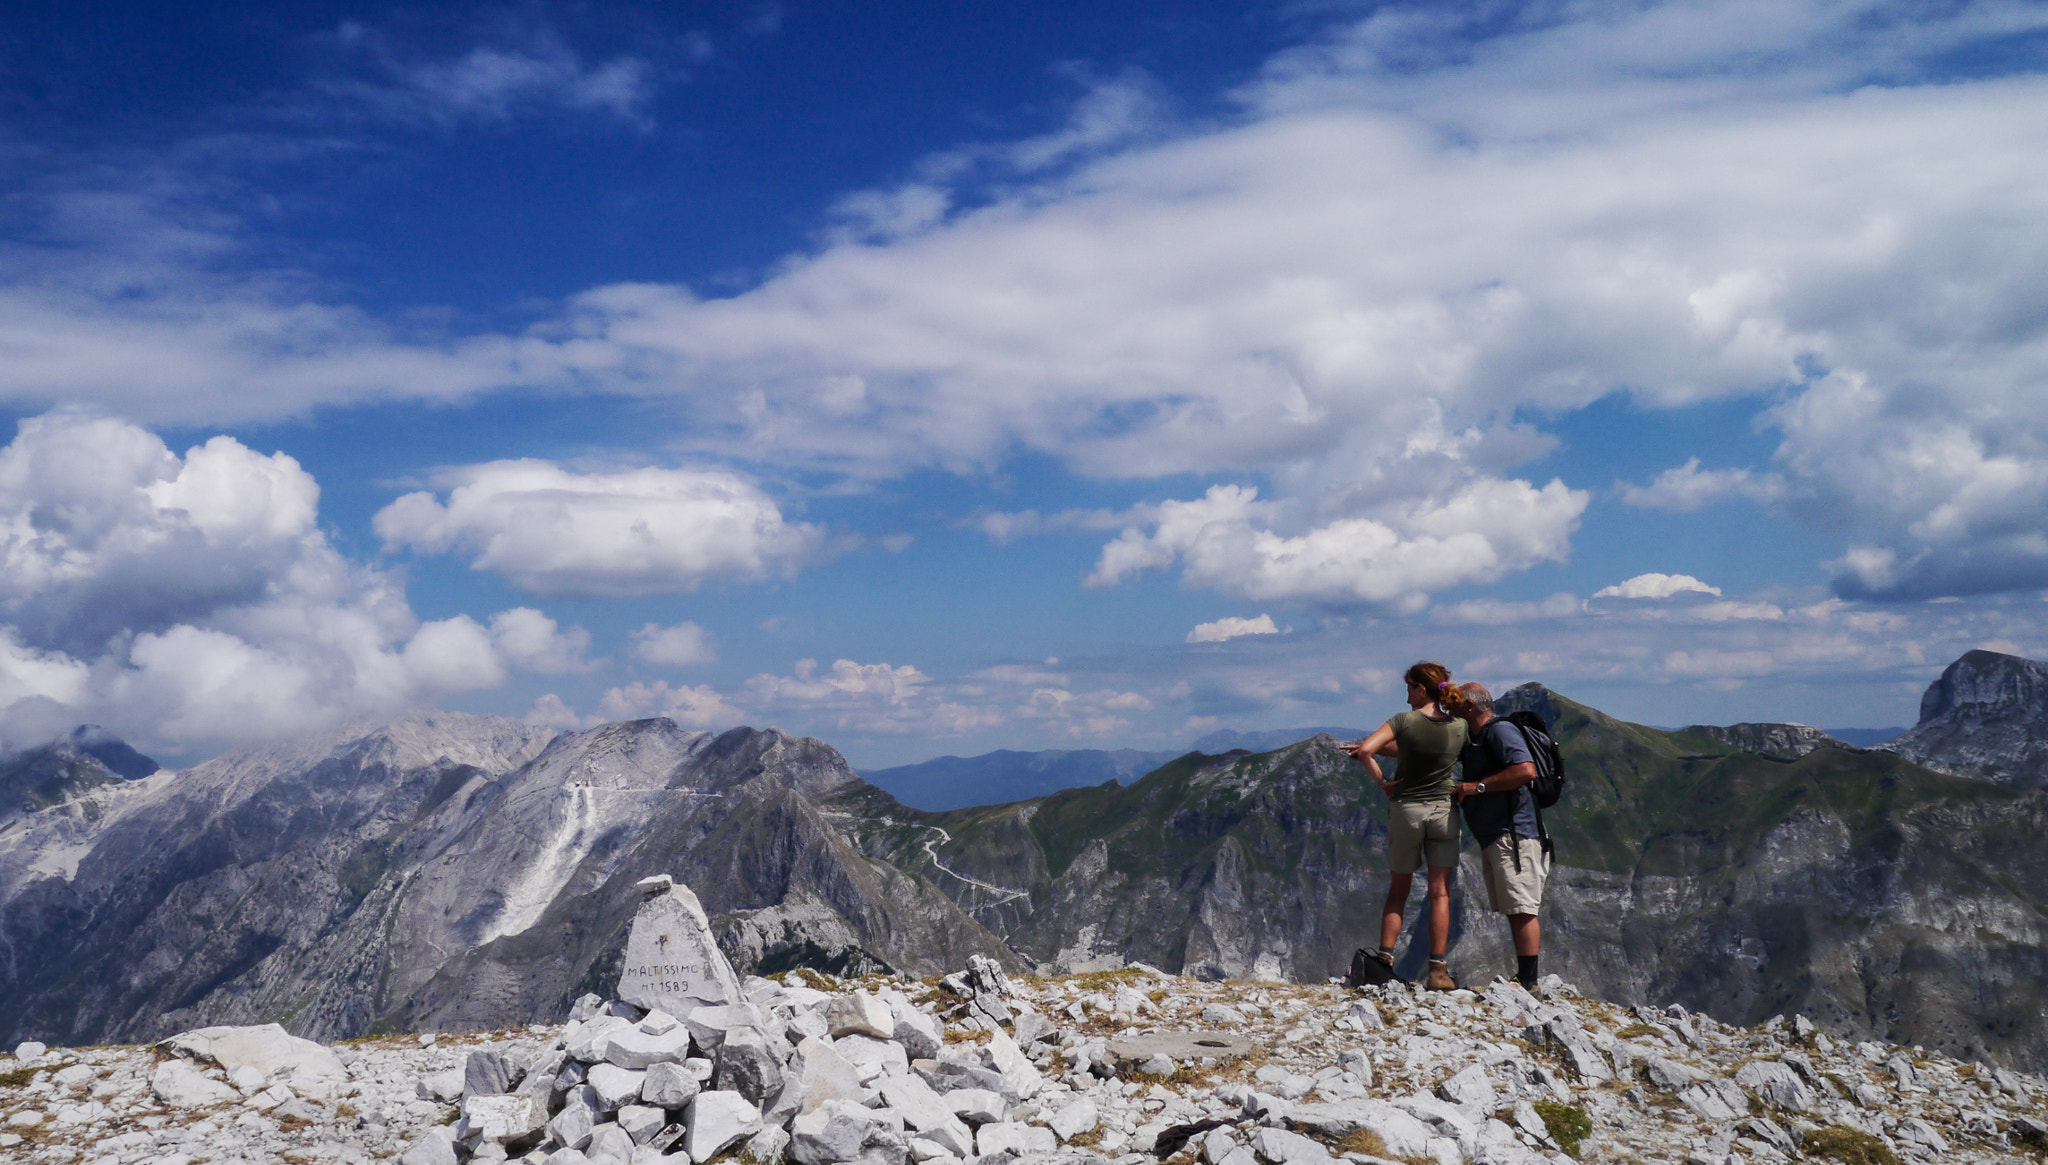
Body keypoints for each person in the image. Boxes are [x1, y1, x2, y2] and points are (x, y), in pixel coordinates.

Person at [1346, 661, 1468, 990]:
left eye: (1409, 689)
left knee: (1399, 891)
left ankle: (1384, 964)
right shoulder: (1459, 725)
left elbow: (1369, 750)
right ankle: (1438, 972)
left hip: (1408, 810)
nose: (1406, 696)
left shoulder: (1403, 721)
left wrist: (1384, 782)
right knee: (1440, 893)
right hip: (1444, 811)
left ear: (1419, 689)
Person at [1450, 682, 1547, 989]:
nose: (1450, 710)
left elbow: (1526, 770)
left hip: (1515, 835)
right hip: (1499, 835)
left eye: (1454, 705)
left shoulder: (1500, 732)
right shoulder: (1476, 738)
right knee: (1514, 906)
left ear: (1469, 707)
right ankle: (1525, 976)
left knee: (1521, 907)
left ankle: (1529, 981)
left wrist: (1477, 787)